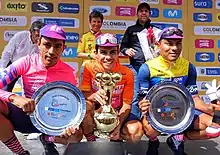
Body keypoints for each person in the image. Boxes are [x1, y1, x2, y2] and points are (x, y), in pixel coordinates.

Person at [0, 24, 83, 155]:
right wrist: (14, 98)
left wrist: (71, 124)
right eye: (47, 45)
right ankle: (21, 153)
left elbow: (73, 107)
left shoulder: (70, 73)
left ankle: (46, 139)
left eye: (57, 46)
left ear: (64, 48)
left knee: (76, 136)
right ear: (38, 43)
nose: (51, 51)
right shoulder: (26, 62)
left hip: (52, 122)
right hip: (26, 114)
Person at [138, 27, 220, 155]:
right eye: (169, 44)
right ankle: (153, 141)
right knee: (150, 130)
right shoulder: (147, 68)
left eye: (178, 43)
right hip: (158, 113)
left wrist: (209, 108)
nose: (175, 48)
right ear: (158, 45)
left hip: (182, 113)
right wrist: (142, 104)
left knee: (216, 128)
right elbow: (143, 99)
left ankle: (179, 138)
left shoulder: (188, 67)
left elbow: (194, 97)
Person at [80, 33, 143, 142]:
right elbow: (84, 94)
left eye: (112, 52)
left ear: (118, 52)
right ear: (96, 53)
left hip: (117, 111)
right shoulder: (88, 67)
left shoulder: (127, 73)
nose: (108, 57)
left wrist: (118, 122)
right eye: (103, 52)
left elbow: (127, 104)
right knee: (85, 107)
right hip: (96, 110)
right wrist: (94, 96)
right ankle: (91, 140)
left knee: (135, 131)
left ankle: (116, 139)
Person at [1, 20, 45, 92]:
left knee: (29, 92)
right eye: (37, 35)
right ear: (31, 32)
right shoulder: (20, 36)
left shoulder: (43, 43)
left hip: (27, 70)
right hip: (13, 66)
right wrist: (2, 70)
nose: (38, 38)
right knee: (5, 90)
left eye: (41, 36)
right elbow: (7, 53)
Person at [120, 2, 161, 73]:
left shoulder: (155, 30)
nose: (144, 13)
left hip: (152, 66)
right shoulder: (131, 29)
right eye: (141, 11)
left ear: (149, 14)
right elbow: (123, 46)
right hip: (136, 66)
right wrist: (126, 50)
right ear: (137, 14)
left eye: (146, 11)